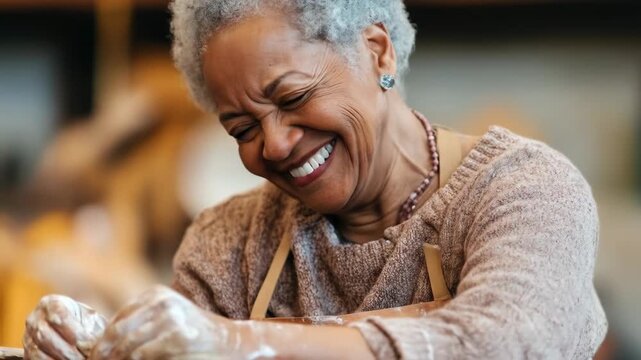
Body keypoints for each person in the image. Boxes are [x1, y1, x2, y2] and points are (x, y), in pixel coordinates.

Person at [23, 1, 608, 359]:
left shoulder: (523, 190)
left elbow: (507, 346)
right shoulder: (228, 243)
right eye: (241, 127)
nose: (274, 144)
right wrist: (103, 349)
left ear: (376, 52)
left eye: (293, 96)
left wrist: (240, 343)